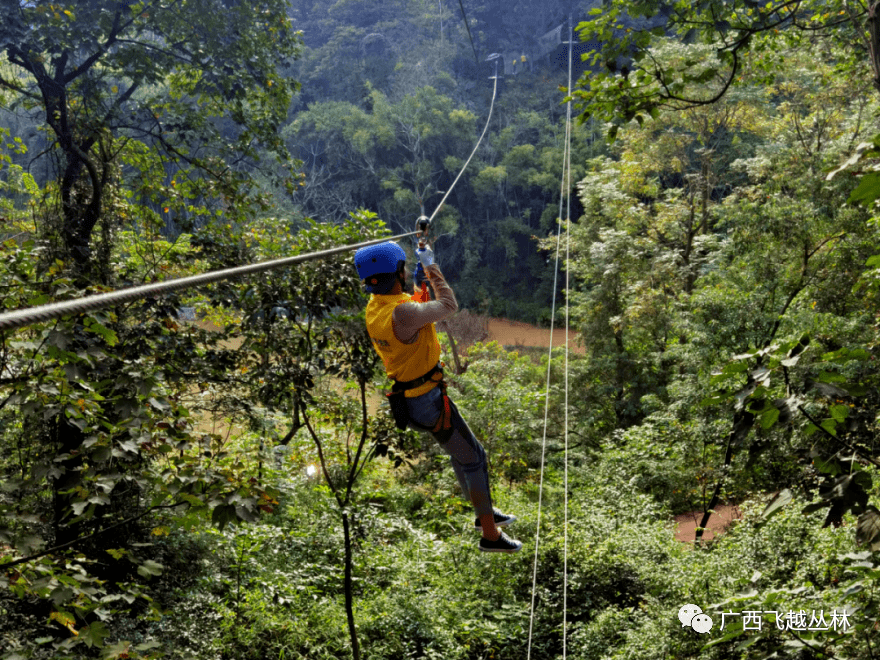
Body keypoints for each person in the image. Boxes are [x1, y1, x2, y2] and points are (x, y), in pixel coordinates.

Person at [354, 240, 522, 553]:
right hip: (428, 401)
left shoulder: (376, 306)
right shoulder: (402, 313)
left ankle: (482, 513)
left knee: (465, 455)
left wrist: (418, 280)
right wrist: (431, 267)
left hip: (412, 399)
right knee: (475, 458)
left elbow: (409, 307)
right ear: (397, 273)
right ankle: (490, 535)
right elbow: (448, 306)